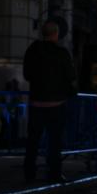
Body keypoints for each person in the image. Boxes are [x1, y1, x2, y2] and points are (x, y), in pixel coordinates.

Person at [23, 21, 76, 183]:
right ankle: (54, 173)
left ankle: (29, 173)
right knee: (55, 142)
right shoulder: (61, 53)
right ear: (56, 34)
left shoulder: (32, 50)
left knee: (33, 141)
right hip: (56, 104)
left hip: (36, 103)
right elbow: (71, 76)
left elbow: (27, 74)